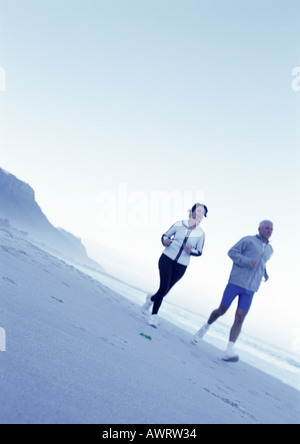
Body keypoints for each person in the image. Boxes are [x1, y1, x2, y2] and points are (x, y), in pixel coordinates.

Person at [192, 220, 274, 362]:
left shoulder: (270, 249)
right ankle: (206, 327)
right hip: (236, 282)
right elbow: (232, 252)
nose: (269, 230)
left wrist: (264, 272)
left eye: (271, 229)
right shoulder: (248, 240)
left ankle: (229, 350)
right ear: (260, 228)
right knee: (221, 310)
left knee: (240, 317)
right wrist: (247, 261)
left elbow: (261, 262)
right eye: (267, 228)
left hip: (251, 288)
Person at [142, 203, 208, 328]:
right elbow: (165, 235)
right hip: (167, 258)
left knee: (165, 291)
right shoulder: (179, 224)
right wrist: (165, 241)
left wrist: (191, 251)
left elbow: (199, 251)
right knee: (163, 287)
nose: (201, 214)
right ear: (193, 211)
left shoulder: (201, 234)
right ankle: (153, 316)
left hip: (181, 265)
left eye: (203, 213)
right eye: (199, 211)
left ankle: (151, 299)